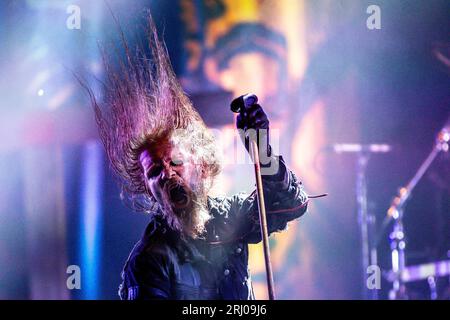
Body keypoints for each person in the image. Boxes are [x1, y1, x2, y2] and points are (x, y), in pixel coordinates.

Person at [83, 15, 309, 300]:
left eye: (175, 162)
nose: (167, 175)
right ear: (147, 188)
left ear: (200, 165)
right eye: (154, 172)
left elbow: (292, 204)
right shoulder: (149, 260)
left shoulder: (228, 219)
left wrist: (262, 151)